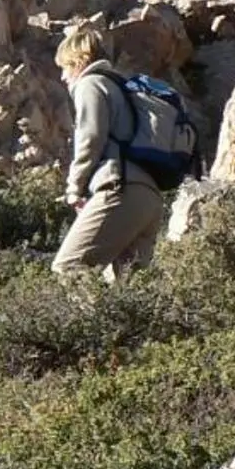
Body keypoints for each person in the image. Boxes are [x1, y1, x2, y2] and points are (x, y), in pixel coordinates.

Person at [52, 22, 168, 281]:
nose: (62, 77)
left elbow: (90, 137)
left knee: (69, 267)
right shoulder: (122, 87)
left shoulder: (91, 84)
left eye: (64, 67)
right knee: (127, 286)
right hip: (149, 197)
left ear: (78, 61)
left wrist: (75, 188)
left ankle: (85, 324)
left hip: (120, 188)